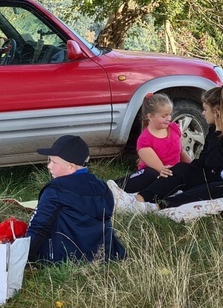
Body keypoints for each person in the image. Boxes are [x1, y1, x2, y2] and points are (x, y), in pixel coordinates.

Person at [110, 87, 223, 211]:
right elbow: (202, 162)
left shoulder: (216, 132)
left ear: (217, 111)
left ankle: (158, 206)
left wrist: (218, 134)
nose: (202, 113)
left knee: (205, 190)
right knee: (180, 168)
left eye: (205, 109)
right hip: (209, 174)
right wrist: (184, 170)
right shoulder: (213, 130)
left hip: (218, 182)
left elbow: (213, 162)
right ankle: (139, 200)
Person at [26, 135, 125, 263]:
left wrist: (25, 258)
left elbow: (38, 226)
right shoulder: (103, 188)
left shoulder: (55, 190)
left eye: (53, 162)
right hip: (102, 256)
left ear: (71, 167)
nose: (49, 166)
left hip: (62, 259)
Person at [113, 93, 191, 192]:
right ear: (150, 117)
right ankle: (113, 187)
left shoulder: (174, 128)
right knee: (151, 174)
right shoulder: (144, 140)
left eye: (170, 114)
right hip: (155, 173)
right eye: (164, 116)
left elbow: (181, 152)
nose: (169, 118)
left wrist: (192, 166)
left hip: (172, 172)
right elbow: (161, 169)